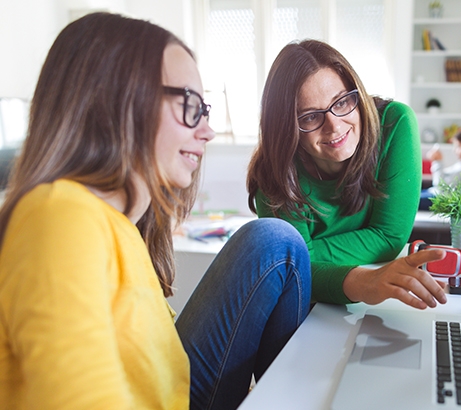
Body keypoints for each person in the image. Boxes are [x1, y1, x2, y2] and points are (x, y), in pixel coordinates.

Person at [0, 13, 310, 410]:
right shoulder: (59, 215)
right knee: (274, 241)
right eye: (190, 105)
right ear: (116, 101)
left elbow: (160, 374)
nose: (208, 131)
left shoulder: (122, 227)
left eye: (206, 109)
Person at [247, 39, 447, 310]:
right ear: (286, 127)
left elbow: (389, 238)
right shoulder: (276, 169)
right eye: (309, 117)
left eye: (341, 102)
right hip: (307, 307)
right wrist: (362, 281)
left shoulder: (394, 123)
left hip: (377, 296)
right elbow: (290, 273)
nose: (334, 126)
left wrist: (307, 257)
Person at [419, 127, 461, 210]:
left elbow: (441, 186)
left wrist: (438, 162)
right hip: (434, 192)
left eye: (458, 146)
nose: (454, 150)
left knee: (407, 199)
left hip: (439, 197)